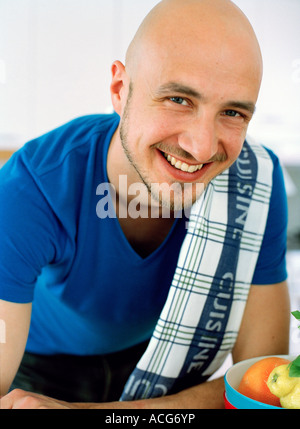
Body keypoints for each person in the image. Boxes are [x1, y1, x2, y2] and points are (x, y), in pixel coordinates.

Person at [0, 0, 290, 409]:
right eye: (178, 99)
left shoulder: (254, 185)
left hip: (159, 362)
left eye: (232, 112)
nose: (201, 147)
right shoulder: (30, 189)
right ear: (120, 90)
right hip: (40, 368)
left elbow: (266, 382)